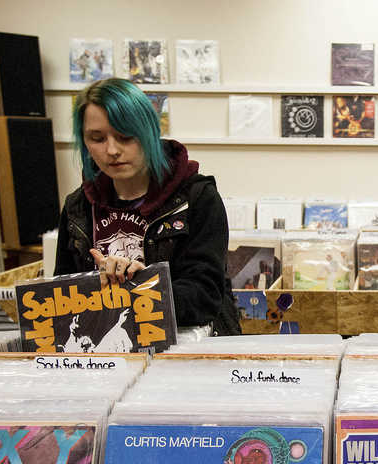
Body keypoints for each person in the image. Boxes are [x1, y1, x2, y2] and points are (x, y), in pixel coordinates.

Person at [55, 77, 240, 336]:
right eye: (97, 138)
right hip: (107, 354)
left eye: (125, 137)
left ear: (149, 132)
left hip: (185, 355)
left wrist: (146, 287)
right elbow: (59, 295)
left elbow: (204, 297)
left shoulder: (197, 197)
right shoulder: (78, 207)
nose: (112, 150)